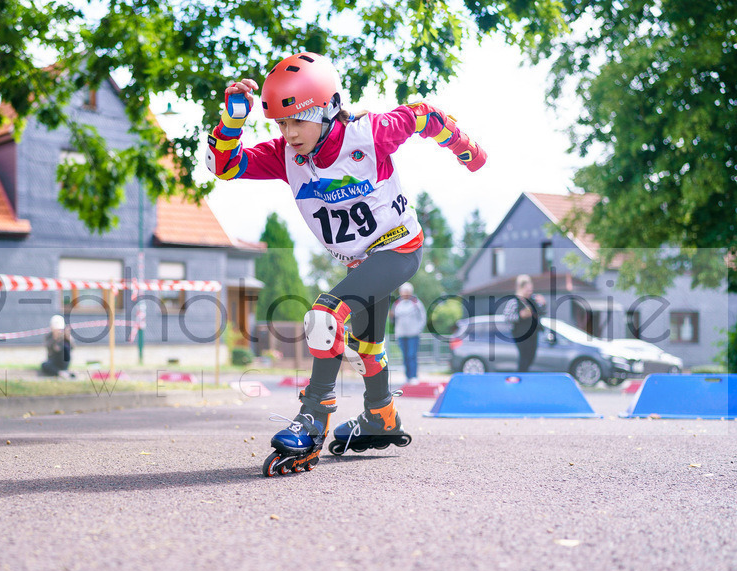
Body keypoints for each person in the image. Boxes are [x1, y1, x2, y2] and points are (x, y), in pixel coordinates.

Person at [206, 52, 486, 470]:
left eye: (297, 120)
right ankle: (381, 416)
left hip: (398, 248)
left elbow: (423, 115)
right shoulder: (287, 156)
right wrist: (231, 124)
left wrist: (466, 149)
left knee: (325, 315)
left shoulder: (369, 133)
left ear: (327, 107)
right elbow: (225, 166)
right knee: (367, 345)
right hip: (360, 263)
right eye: (281, 124)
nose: (289, 133)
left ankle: (312, 421)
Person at [503, 274, 547, 372]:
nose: (530, 292)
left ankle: (524, 374)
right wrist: (520, 316)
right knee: (524, 356)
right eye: (527, 290)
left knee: (531, 356)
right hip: (521, 334)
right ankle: (521, 376)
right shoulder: (514, 301)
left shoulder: (533, 300)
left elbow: (542, 313)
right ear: (520, 288)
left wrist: (543, 304)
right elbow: (506, 317)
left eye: (531, 290)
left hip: (533, 333)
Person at [392, 282, 427, 385]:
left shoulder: (416, 303)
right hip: (401, 335)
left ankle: (414, 376)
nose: (405, 294)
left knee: (412, 355)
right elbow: (394, 319)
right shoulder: (397, 304)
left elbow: (423, 317)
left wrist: (418, 330)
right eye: (403, 292)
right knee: (405, 356)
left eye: (407, 292)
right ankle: (407, 377)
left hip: (413, 335)